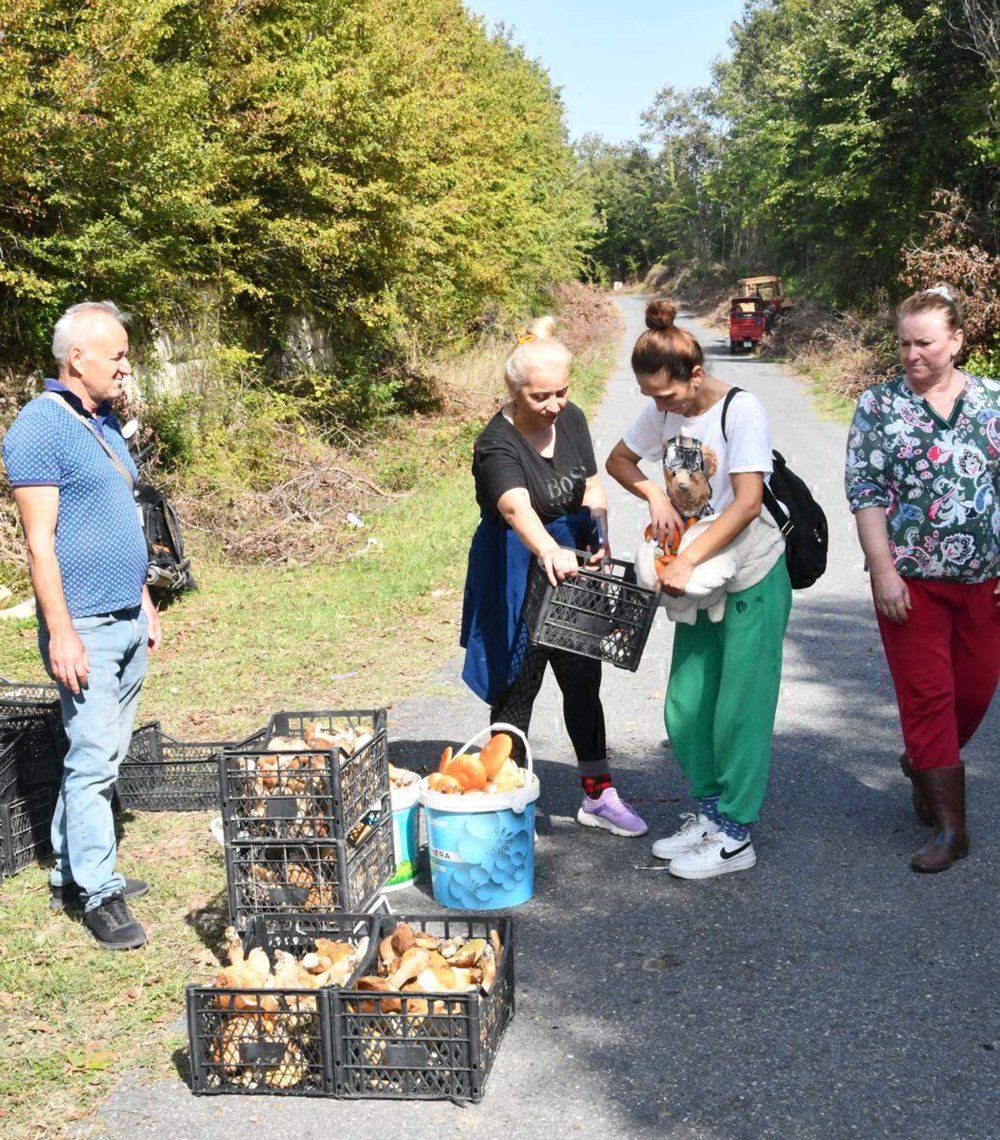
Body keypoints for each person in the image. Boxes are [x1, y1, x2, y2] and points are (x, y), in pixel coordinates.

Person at [606, 299, 790, 879]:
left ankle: (737, 834)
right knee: (688, 706)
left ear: (697, 375)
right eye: (652, 398)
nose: (661, 408)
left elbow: (748, 503)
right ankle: (709, 813)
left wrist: (686, 561)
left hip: (750, 573)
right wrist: (655, 496)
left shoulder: (742, 411)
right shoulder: (665, 412)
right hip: (700, 577)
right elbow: (619, 460)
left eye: (668, 396)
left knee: (740, 707)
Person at [2, 300, 162, 948]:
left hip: (126, 615)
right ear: (78, 359)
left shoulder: (99, 422)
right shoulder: (39, 428)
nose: (125, 368)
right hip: (86, 625)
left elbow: (121, 519)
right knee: (93, 760)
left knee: (103, 752)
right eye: (117, 356)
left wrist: (145, 598)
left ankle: (72, 869)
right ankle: (100, 893)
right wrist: (61, 631)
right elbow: (41, 543)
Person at [459, 317, 648, 837]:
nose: (555, 404)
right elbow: (516, 507)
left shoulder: (572, 418)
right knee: (516, 688)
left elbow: (590, 486)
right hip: (518, 565)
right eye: (542, 396)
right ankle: (504, 801)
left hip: (576, 561)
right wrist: (549, 549)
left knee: (583, 682)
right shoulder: (495, 442)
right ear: (515, 392)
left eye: (562, 392)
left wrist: (601, 539)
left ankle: (598, 794)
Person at [844, 286, 999, 873]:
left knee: (974, 692)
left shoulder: (992, 401)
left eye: (925, 343)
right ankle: (951, 829)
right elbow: (866, 494)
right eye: (904, 343)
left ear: (957, 341)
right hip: (911, 582)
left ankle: (923, 761)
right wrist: (883, 570)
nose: (912, 354)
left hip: (986, 581)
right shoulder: (879, 406)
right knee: (928, 695)